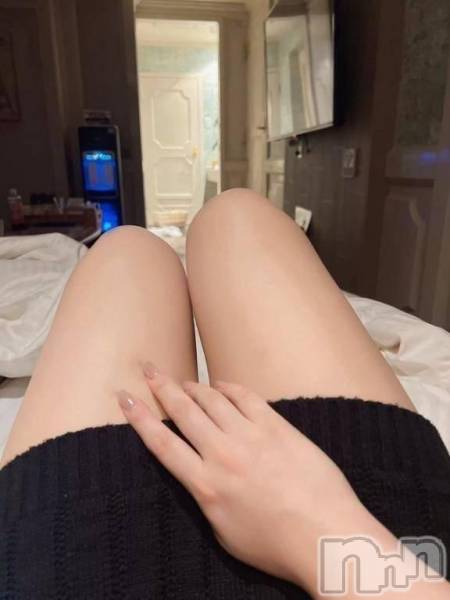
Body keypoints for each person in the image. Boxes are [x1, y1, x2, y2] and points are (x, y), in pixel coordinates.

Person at [0, 188, 449, 599]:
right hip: (394, 554)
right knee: (234, 216)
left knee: (128, 250)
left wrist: (314, 528)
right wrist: (329, 527)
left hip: (82, 551)